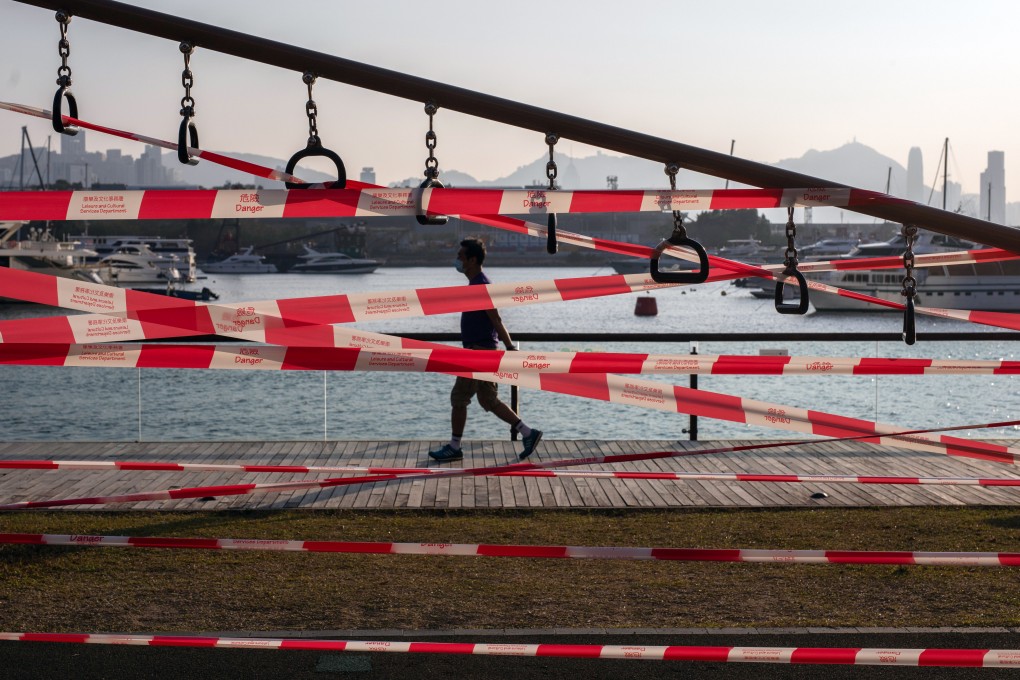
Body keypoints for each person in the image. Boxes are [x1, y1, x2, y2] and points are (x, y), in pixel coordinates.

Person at [428, 238, 543, 463]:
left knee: (459, 398)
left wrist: (509, 347)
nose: (457, 260)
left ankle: (454, 446)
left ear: (472, 260)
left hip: (478, 354)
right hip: (481, 352)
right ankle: (528, 433)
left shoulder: (481, 286)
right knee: (488, 400)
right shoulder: (476, 284)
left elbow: (496, 318)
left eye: (461, 256)